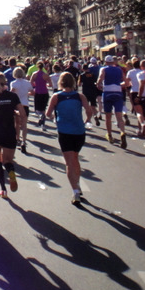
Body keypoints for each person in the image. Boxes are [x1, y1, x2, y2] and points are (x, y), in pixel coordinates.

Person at [45, 72, 93, 205]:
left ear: (61, 82)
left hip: (64, 131)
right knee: (75, 158)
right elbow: (89, 110)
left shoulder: (56, 96)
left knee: (69, 162)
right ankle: (77, 185)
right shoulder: (79, 96)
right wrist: (86, 120)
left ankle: (75, 191)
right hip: (79, 131)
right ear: (72, 82)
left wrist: (55, 119)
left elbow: (48, 113)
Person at [98, 55, 127, 148]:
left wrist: (98, 85)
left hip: (107, 92)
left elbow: (100, 79)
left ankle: (109, 135)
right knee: (119, 115)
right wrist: (118, 85)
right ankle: (122, 132)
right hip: (118, 92)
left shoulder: (104, 69)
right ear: (113, 62)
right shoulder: (119, 69)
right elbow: (126, 82)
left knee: (108, 116)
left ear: (106, 62)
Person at [9, 66, 33, 153]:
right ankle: (24, 141)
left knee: (17, 123)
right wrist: (26, 93)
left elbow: (12, 92)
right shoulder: (27, 83)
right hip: (25, 104)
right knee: (24, 124)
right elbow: (32, 92)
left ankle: (17, 138)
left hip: (16, 104)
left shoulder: (13, 83)